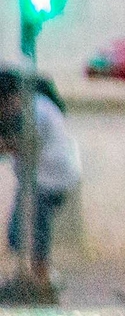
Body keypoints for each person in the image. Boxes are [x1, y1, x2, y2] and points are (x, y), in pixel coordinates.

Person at [0, 70, 82, 295]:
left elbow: (24, 144)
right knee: (26, 232)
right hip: (41, 180)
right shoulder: (36, 107)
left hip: (48, 180)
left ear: (12, 96)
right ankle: (35, 278)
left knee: (29, 232)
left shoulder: (37, 109)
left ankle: (43, 280)